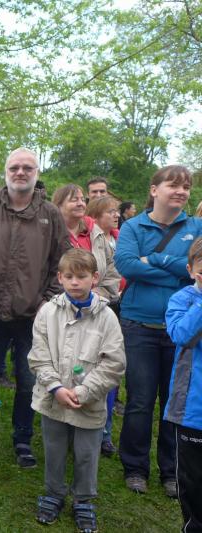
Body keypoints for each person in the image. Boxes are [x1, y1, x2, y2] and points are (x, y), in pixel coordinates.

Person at [0, 148, 70, 468]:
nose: (20, 172)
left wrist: (48, 299)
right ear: (6, 172)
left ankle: (22, 440)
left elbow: (61, 261)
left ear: (37, 172)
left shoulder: (50, 214)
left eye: (27, 168)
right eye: (14, 168)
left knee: (27, 380)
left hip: (33, 315)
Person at [114, 164, 202, 497]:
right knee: (140, 399)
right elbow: (126, 265)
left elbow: (197, 268)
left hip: (184, 331)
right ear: (154, 190)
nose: (181, 192)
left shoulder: (197, 227)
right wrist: (181, 271)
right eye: (173, 185)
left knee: (173, 400)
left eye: (186, 187)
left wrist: (155, 260)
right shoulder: (133, 226)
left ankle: (171, 470)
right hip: (140, 326)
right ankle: (135, 467)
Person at [28, 248, 125, 532]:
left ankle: (83, 499)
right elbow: (38, 356)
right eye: (68, 276)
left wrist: (84, 392)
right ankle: (53, 493)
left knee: (86, 453)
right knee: (54, 448)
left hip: (90, 402)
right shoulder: (48, 313)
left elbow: (114, 363)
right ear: (59, 277)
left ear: (94, 278)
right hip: (53, 399)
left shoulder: (107, 317)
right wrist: (56, 387)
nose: (74, 282)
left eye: (81, 276)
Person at [164, 237, 202, 530]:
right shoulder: (183, 299)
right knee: (193, 482)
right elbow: (181, 336)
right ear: (190, 271)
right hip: (192, 409)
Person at [86, 195, 124, 457]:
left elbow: (114, 274)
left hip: (112, 304)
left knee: (109, 366)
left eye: (117, 211)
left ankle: (104, 432)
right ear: (97, 214)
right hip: (93, 306)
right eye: (111, 211)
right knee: (88, 366)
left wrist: (110, 291)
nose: (116, 215)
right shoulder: (92, 237)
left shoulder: (118, 238)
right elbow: (92, 275)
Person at [52, 184, 120, 304]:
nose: (80, 203)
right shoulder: (50, 234)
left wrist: (98, 294)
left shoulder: (95, 231)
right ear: (58, 205)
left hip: (96, 304)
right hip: (58, 305)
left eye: (83, 200)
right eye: (74, 200)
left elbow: (112, 266)